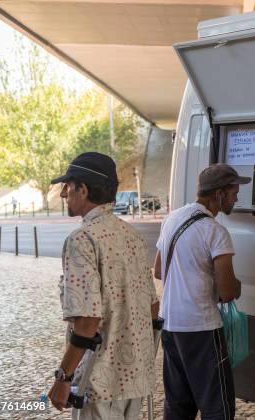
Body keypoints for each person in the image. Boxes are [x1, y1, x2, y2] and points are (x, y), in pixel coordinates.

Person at [47, 152, 159, 420]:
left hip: (98, 381)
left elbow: (87, 321)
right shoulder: (132, 236)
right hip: (135, 380)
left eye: (68, 186)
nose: (63, 194)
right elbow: (153, 308)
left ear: (83, 190)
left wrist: (63, 378)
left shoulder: (82, 240)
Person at [153, 163, 249, 420]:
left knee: (178, 407)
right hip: (202, 329)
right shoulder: (215, 231)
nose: (236, 198)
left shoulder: (173, 217)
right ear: (218, 194)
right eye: (233, 193)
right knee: (218, 408)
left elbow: (159, 270)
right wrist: (236, 286)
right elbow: (228, 291)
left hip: (171, 327)